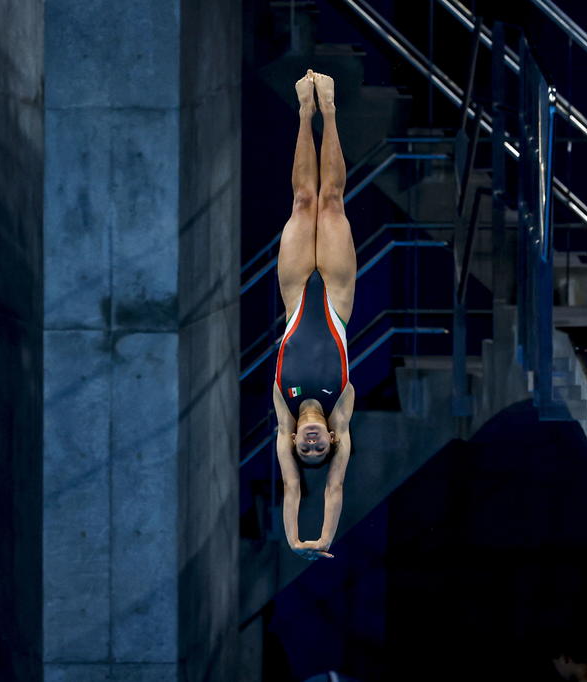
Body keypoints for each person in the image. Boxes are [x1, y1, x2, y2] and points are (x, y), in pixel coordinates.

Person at [273, 71, 356, 561]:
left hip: (296, 289)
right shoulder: (341, 409)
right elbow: (332, 491)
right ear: (331, 439)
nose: (308, 447)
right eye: (317, 450)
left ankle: (305, 113)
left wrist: (293, 539)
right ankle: (331, 109)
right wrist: (323, 537)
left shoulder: (284, 410)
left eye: (304, 452)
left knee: (304, 201)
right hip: (337, 292)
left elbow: (291, 489)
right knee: (332, 201)